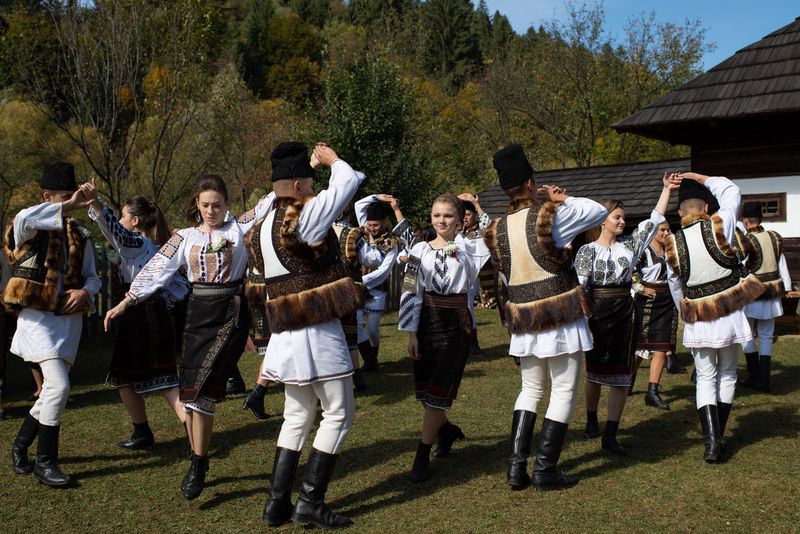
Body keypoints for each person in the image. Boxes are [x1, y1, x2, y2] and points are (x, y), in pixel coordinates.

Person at [105, 173, 273, 499]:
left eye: (218, 205)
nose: (212, 211)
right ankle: (200, 460)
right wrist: (126, 302)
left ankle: (197, 462)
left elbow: (268, 202)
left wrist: (302, 168)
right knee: (190, 397)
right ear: (197, 204)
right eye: (206, 205)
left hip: (230, 315)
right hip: (197, 317)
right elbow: (157, 269)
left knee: (203, 395)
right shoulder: (183, 238)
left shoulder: (239, 228)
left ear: (227, 204)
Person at [252, 142, 363, 529]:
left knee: (297, 417)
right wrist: (333, 161)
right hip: (316, 328)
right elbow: (346, 184)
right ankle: (310, 502)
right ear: (299, 187)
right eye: (310, 185)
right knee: (339, 413)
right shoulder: (302, 215)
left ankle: (275, 504)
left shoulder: (263, 222)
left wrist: (311, 167)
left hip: (285, 332)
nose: (315, 192)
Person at [484, 144, 607, 491]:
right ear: (529, 183)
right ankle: (545, 469)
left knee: (530, 389)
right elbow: (597, 211)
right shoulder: (549, 216)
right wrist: (558, 198)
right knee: (564, 388)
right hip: (559, 312)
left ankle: (515, 467)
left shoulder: (496, 228)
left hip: (523, 317)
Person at [6, 162, 100, 486]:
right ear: (47, 196)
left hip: (68, 322)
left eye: (72, 195)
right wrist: (70, 204)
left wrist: (85, 290)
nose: (70, 202)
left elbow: (94, 277)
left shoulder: (80, 234)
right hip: (37, 321)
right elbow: (23, 219)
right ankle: (46, 463)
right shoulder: (28, 228)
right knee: (59, 387)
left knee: (50, 391)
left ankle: (19, 447)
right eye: (62, 196)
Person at [664, 173, 765, 462]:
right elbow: (731, 188)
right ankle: (716, 438)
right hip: (729, 310)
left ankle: (712, 442)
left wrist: (685, 307)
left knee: (705, 377)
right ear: (706, 209)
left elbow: (674, 284)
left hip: (698, 314)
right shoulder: (722, 222)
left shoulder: (673, 242)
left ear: (680, 213)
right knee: (728, 373)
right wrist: (697, 176)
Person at [575, 173, 678, 455]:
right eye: (617, 217)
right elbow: (581, 289)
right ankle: (591, 420)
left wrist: (666, 189)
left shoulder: (630, 247)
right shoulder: (586, 251)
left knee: (621, 375)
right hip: (596, 314)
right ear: (603, 220)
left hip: (624, 313)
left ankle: (611, 434)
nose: (622, 221)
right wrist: (584, 320)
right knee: (594, 373)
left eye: (623, 217)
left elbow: (654, 219)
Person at [82, 183, 189, 448]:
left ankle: (190, 435)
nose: (120, 221)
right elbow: (180, 288)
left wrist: (96, 204)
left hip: (140, 317)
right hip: (157, 315)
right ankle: (147, 432)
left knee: (151, 379)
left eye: (123, 216)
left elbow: (116, 232)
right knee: (141, 378)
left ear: (135, 220)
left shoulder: (137, 243)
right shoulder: (157, 247)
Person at [399, 194, 490, 483]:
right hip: (426, 323)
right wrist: (412, 332)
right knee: (427, 395)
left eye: (448, 216)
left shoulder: (469, 248)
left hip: (456, 326)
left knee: (438, 393)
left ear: (460, 219)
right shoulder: (419, 250)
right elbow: (409, 289)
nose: (441, 221)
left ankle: (422, 453)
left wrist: (477, 207)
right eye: (437, 215)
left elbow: (494, 234)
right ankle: (447, 431)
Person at [738, 201, 791, 393]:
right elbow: (781, 263)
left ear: (745, 221)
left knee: (746, 333)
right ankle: (764, 380)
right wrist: (787, 286)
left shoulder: (745, 241)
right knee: (767, 336)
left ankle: (754, 376)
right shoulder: (775, 237)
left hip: (751, 294)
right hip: (773, 292)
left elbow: (740, 269)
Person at [629, 222, 679, 410]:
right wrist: (640, 287)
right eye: (662, 230)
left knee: (662, 345)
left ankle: (652, 391)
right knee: (641, 348)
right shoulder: (643, 251)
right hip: (647, 301)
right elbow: (630, 271)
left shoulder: (671, 249)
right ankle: (628, 379)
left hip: (668, 300)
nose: (666, 233)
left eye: (668, 229)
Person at [354, 194, 399, 371]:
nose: (372, 228)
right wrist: (376, 197)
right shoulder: (364, 232)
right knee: (356, 324)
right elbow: (359, 204)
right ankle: (370, 361)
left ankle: (374, 356)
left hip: (376, 289)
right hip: (357, 288)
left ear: (385, 222)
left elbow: (383, 271)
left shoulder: (391, 242)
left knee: (372, 328)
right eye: (370, 225)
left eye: (376, 225)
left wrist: (361, 280)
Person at [458, 193, 493, 355]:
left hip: (471, 276)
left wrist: (476, 205)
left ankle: (473, 341)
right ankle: (463, 342)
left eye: (468, 215)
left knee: (468, 308)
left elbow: (489, 226)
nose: (465, 218)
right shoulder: (457, 231)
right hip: (457, 275)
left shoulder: (478, 231)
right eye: (463, 215)